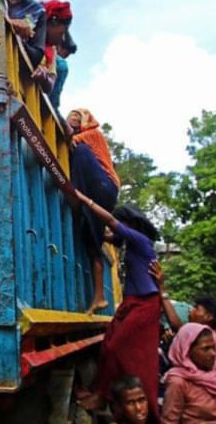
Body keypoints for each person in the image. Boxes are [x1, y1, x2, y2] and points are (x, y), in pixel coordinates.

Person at [72, 193, 161, 419]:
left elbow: (111, 223)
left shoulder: (140, 240)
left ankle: (104, 396)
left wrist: (86, 200)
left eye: (123, 224)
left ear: (130, 224)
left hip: (145, 304)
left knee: (115, 348)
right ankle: (102, 392)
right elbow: (106, 234)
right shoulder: (130, 246)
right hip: (132, 303)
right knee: (107, 346)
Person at [67, 108, 121, 314]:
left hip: (105, 185)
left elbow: (71, 138)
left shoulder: (92, 134)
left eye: (77, 116)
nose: (73, 118)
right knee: (91, 239)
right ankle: (99, 296)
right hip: (101, 190)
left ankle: (75, 194)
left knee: (80, 152)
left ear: (86, 120)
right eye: (71, 115)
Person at [161, 323, 216, 423]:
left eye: (213, 347)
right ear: (187, 351)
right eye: (206, 349)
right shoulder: (178, 381)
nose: (213, 353)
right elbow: (169, 421)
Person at [33, 0, 71, 109]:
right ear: (53, 23)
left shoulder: (51, 51)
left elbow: (51, 84)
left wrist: (44, 78)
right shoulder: (25, 31)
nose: (62, 39)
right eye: (61, 33)